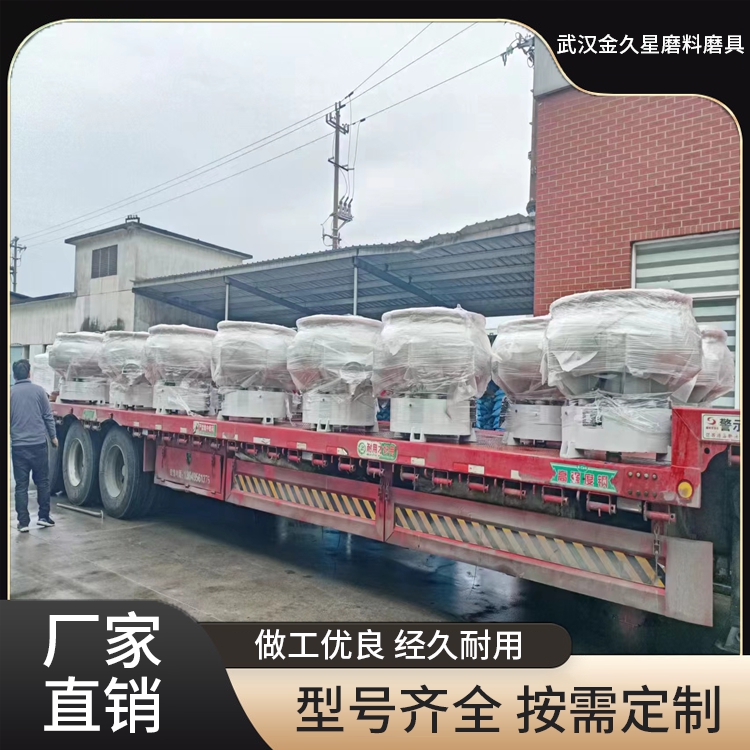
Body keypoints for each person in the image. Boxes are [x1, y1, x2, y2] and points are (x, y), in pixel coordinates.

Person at [10, 359, 58, 532]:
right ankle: (44, 517)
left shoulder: (10, 394)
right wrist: (53, 437)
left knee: (21, 485)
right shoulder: (39, 392)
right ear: (29, 373)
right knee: (42, 482)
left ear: (14, 375)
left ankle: (23, 523)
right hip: (38, 445)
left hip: (19, 447)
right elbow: (48, 416)